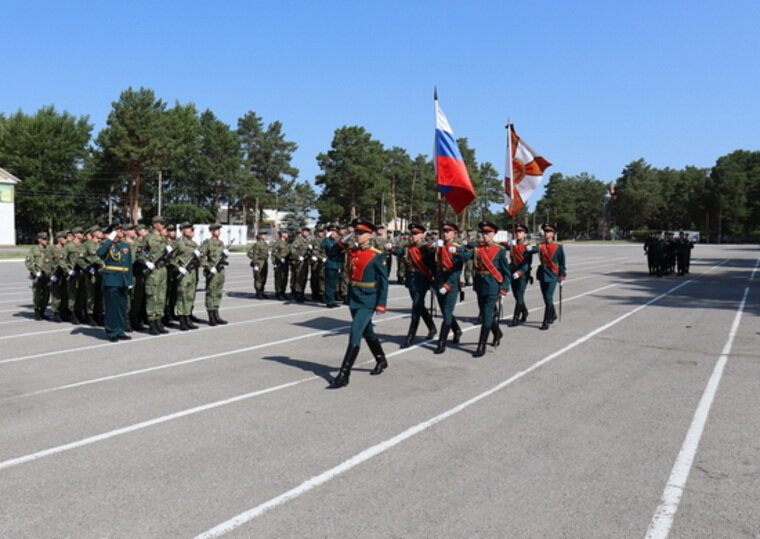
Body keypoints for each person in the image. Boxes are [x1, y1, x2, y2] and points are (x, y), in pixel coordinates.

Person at [326, 218, 389, 388]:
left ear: (370, 235)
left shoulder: (376, 254)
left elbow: (384, 281)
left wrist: (381, 303)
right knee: (367, 331)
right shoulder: (352, 251)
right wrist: (346, 238)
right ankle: (381, 360)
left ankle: (344, 374)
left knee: (355, 331)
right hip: (354, 297)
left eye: (361, 233)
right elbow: (332, 253)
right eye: (356, 232)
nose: (358, 236)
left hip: (369, 298)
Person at [465, 221, 510, 357]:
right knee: (486, 314)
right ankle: (497, 332)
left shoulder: (499, 250)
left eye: (488, 233)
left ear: (494, 234)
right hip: (479, 284)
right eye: (483, 232)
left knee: (486, 314)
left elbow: (506, 272)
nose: (484, 235)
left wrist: (505, 287)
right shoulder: (477, 248)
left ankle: (481, 345)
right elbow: (465, 256)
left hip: (492, 285)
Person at [389, 223, 436, 348]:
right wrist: (390, 248)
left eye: (416, 234)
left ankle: (410, 336)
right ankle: (432, 327)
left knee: (416, 307)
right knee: (419, 306)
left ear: (422, 235)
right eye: (412, 234)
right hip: (411, 280)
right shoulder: (408, 247)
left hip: (422, 280)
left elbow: (432, 259)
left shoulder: (426, 247)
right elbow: (398, 252)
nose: (413, 236)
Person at [432, 221, 464, 354]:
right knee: (446, 312)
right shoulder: (439, 246)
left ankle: (441, 342)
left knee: (446, 313)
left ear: (454, 233)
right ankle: (457, 330)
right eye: (443, 231)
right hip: (439, 282)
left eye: (448, 231)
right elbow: (434, 266)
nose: (445, 234)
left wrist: (448, 285)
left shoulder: (457, 248)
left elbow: (457, 270)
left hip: (451, 284)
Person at [97, 225, 133, 342]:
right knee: (112, 307)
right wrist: (109, 240)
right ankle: (111, 331)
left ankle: (120, 330)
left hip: (123, 280)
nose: (122, 232)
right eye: (119, 230)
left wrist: (129, 280)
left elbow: (128, 265)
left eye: (122, 230)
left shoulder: (125, 246)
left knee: (122, 307)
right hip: (111, 280)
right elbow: (100, 253)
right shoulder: (107, 245)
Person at [140, 216, 172, 335]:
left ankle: (159, 321)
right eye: (161, 223)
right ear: (154, 224)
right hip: (153, 271)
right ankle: (152, 323)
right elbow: (139, 252)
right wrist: (146, 262)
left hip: (162, 270)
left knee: (161, 297)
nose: (163, 225)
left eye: (163, 223)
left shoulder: (164, 239)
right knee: (152, 297)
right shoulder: (147, 238)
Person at [537, 223, 566, 330]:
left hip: (552, 274)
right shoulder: (540, 245)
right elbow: (528, 249)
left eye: (549, 232)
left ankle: (545, 321)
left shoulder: (558, 246)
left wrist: (562, 275)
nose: (546, 233)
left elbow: (562, 262)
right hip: (542, 273)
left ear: (553, 234)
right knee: (545, 297)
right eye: (545, 231)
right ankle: (553, 314)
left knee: (548, 297)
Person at [172, 222, 201, 330]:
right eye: (189, 229)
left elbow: (199, 260)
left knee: (190, 296)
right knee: (182, 296)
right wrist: (178, 267)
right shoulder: (178, 243)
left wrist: (200, 258)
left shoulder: (194, 244)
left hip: (193, 273)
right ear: (183, 230)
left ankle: (188, 317)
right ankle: (182, 320)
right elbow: (170, 258)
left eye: (192, 229)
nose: (192, 231)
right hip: (183, 274)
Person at [200, 223, 229, 325]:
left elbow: (223, 258)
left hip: (220, 271)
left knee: (218, 293)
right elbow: (201, 257)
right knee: (211, 293)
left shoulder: (221, 243)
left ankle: (216, 314)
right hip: (212, 271)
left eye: (219, 230)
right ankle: (211, 316)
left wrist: (225, 255)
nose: (219, 232)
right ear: (212, 231)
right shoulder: (207, 243)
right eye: (217, 230)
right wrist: (208, 267)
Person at [507, 223, 534, 327]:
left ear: (525, 234)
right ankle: (525, 311)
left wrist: (519, 273)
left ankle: (515, 318)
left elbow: (527, 264)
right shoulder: (513, 245)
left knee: (519, 295)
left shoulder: (527, 247)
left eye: (520, 232)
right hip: (513, 272)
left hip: (523, 274)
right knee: (516, 295)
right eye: (516, 232)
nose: (518, 234)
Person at [25, 232, 51, 320]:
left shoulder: (49, 250)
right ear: (39, 240)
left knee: (46, 295)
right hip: (38, 275)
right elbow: (28, 262)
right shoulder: (34, 250)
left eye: (47, 239)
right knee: (37, 294)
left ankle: (42, 311)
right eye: (44, 239)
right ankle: (37, 312)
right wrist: (35, 272)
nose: (46, 241)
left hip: (47, 275)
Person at [321, 224, 342, 308]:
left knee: (334, 284)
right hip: (330, 264)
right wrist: (326, 237)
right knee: (329, 284)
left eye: (335, 232)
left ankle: (332, 300)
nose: (334, 234)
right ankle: (329, 301)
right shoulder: (327, 241)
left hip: (337, 265)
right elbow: (322, 246)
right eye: (332, 232)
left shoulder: (336, 242)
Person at [289, 227, 311, 302]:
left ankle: (302, 294)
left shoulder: (307, 241)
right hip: (299, 262)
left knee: (304, 278)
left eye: (308, 232)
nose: (307, 233)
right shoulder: (298, 240)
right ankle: (298, 294)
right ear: (302, 232)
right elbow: (292, 250)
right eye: (305, 231)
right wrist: (298, 257)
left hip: (305, 262)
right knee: (299, 278)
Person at [247, 231, 269, 299]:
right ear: (260, 236)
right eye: (263, 235)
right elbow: (253, 254)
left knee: (263, 278)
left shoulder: (265, 244)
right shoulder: (257, 244)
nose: (265, 236)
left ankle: (262, 292)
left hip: (264, 262)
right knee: (258, 278)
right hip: (259, 263)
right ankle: (258, 292)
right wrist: (255, 263)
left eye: (265, 235)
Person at [271, 230, 290, 300]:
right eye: (286, 233)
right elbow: (274, 253)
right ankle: (278, 293)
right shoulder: (278, 243)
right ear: (282, 234)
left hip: (285, 264)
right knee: (279, 279)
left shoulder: (285, 243)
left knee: (284, 278)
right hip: (279, 264)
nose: (287, 234)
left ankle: (283, 292)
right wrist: (275, 262)